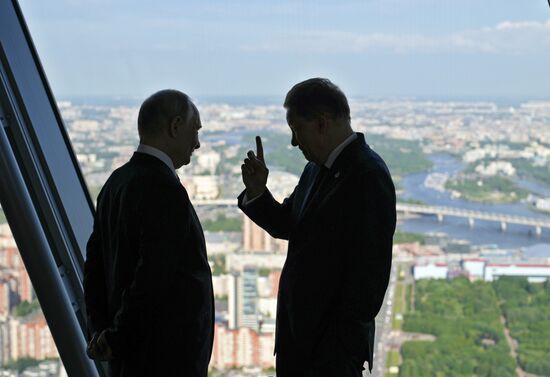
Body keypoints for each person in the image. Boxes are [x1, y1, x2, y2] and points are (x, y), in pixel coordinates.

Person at [238, 78, 396, 376]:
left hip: (328, 358)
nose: (294, 142)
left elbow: (368, 283)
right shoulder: (315, 169)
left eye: (297, 130)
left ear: (322, 123)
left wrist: (335, 355)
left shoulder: (367, 176)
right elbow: (289, 224)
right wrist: (258, 192)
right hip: (300, 346)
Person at [83, 89, 214, 377]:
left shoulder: (116, 182)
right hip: (163, 358)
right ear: (175, 126)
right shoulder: (165, 191)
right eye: (195, 130)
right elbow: (152, 278)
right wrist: (119, 337)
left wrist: (102, 333)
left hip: (128, 358)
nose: (197, 143)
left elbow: (94, 266)